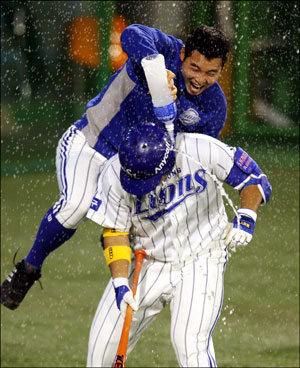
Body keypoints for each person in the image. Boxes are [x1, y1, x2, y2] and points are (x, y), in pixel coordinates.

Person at [1, 24, 230, 310]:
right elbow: (130, 34)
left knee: (151, 226)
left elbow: (193, 157)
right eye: (195, 67)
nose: (200, 79)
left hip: (138, 173)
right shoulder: (165, 49)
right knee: (75, 207)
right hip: (92, 144)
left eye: (211, 73)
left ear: (221, 71)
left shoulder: (214, 106)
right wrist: (156, 73)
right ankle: (29, 268)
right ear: (183, 54)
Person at [85, 121, 271, 367]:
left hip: (202, 257)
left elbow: (255, 180)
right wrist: (120, 283)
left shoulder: (199, 149)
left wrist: (246, 217)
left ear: (167, 162)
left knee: (189, 343)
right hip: (147, 259)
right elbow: (115, 230)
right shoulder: (114, 172)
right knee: (101, 348)